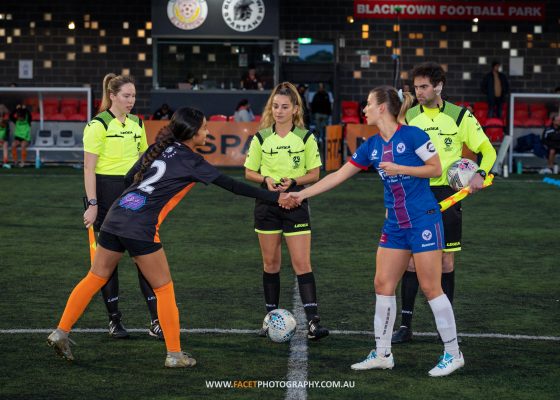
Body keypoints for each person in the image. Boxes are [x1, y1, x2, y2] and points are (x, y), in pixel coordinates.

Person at [47, 107, 297, 367]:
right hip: (140, 228)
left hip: (115, 217)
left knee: (95, 277)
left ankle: (61, 331)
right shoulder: (191, 160)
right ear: (190, 133)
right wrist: (277, 197)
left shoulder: (158, 147)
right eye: (204, 128)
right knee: (164, 288)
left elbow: (128, 177)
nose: (208, 132)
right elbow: (233, 186)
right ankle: (174, 355)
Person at [289, 85, 465, 377]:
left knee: (431, 287)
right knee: (382, 284)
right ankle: (383, 353)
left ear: (383, 107)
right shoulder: (370, 145)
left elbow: (436, 169)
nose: (364, 109)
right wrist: (301, 195)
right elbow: (339, 175)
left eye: (368, 104)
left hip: (423, 220)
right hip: (394, 224)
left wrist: (400, 168)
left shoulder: (413, 136)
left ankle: (453, 352)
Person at [392, 62, 497, 344]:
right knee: (413, 262)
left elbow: (487, 150)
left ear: (439, 86)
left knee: (446, 261)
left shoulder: (460, 116)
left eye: (424, 86)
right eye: (416, 87)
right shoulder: (410, 116)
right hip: (416, 193)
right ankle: (405, 325)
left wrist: (480, 174)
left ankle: (444, 327)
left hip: (449, 196)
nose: (419, 91)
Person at [244, 82, 329, 340]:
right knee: (271, 264)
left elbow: (314, 173)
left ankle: (313, 322)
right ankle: (270, 319)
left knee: (302, 263)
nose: (279, 111)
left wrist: (293, 183)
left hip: (296, 204)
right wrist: (266, 180)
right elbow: (249, 171)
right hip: (267, 205)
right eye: (275, 106)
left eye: (284, 107)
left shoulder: (305, 137)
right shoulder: (261, 137)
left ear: (295, 109)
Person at [82, 73, 162, 340]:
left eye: (134, 96)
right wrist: (92, 204)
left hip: (133, 194)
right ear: (112, 96)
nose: (131, 101)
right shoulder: (97, 125)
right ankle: (114, 321)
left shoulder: (138, 123)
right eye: (126, 96)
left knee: (144, 258)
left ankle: (156, 321)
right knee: (107, 263)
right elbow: (89, 168)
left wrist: (149, 195)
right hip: (104, 196)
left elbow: (143, 160)